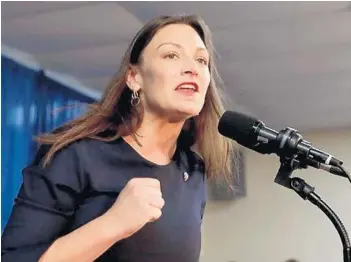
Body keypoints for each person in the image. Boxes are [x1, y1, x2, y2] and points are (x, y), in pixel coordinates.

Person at [1, 14, 236, 262]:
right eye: (171, 55)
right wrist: (114, 224)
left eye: (201, 60)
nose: (192, 68)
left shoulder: (193, 169)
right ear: (134, 78)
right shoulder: (77, 154)